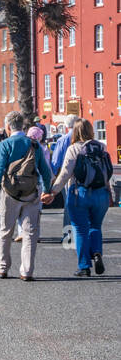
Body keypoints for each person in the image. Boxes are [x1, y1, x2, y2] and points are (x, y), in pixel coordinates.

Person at [0, 111, 55, 281]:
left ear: (8, 126)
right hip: (31, 192)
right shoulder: (34, 144)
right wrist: (47, 190)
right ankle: (27, 271)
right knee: (30, 232)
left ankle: (3, 267)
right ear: (23, 126)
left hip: (10, 193)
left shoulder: (5, 144)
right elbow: (45, 171)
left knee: (6, 231)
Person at [48, 116, 114, 276]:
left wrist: (53, 191)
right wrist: (110, 193)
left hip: (80, 193)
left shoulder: (74, 149)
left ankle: (84, 266)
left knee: (80, 229)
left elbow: (65, 173)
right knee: (95, 226)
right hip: (101, 193)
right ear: (91, 131)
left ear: (74, 132)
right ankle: (97, 252)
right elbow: (107, 172)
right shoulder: (101, 147)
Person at [50, 123, 74, 241]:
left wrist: (53, 176)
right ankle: (80, 233)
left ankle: (67, 234)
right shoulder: (85, 141)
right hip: (83, 177)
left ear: (66, 126)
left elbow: (56, 160)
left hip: (66, 177)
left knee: (68, 205)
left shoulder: (63, 140)